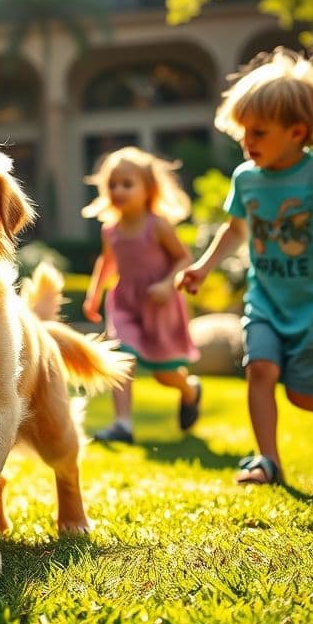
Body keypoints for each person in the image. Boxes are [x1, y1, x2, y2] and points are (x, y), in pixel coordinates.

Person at [178, 49, 313, 485]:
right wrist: (204, 267)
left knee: (303, 393)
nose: (248, 141)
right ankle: (268, 460)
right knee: (260, 369)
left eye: (259, 132)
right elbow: (235, 231)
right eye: (244, 131)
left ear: (297, 131)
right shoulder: (246, 178)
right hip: (265, 299)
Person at [81, 147, 201, 443]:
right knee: (122, 355)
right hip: (125, 303)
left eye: (127, 184)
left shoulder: (157, 225)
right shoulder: (111, 230)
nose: (118, 190)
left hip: (159, 304)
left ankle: (189, 390)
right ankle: (123, 424)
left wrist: (167, 284)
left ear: (148, 189)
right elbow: (108, 261)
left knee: (165, 374)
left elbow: (183, 259)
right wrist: (94, 294)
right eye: (112, 184)